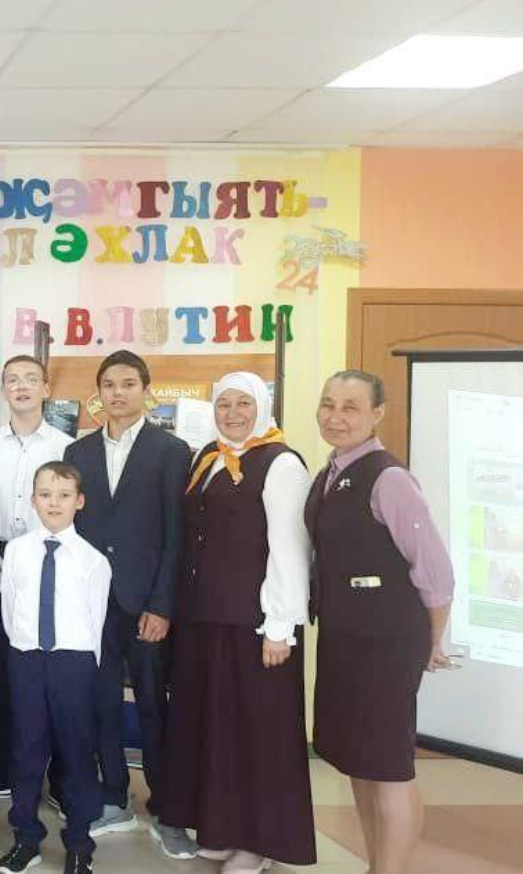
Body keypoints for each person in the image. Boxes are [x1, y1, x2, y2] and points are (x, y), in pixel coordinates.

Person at [156, 372, 315, 873]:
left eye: (244, 403)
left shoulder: (281, 463)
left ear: (262, 407)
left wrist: (280, 626)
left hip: (255, 625)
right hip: (206, 619)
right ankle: (221, 828)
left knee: (257, 732)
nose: (233, 414)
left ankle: (257, 842)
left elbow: (290, 549)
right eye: (223, 404)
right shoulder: (209, 457)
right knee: (217, 729)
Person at [307, 369, 455, 874]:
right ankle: (378, 865)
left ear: (377, 414)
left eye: (350, 407)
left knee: (389, 768)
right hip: (345, 638)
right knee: (360, 763)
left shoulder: (388, 478)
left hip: (387, 642)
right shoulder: (330, 473)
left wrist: (432, 641)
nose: (335, 416)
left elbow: (435, 571)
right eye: (328, 404)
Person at [62, 350, 194, 857]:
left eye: (128, 384)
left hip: (146, 605)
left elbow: (176, 536)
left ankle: (167, 809)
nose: (117, 393)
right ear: (99, 393)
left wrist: (162, 605)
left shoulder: (171, 450)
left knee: (155, 705)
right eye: (109, 385)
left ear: (145, 390)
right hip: (94, 604)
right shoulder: (79, 452)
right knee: (101, 704)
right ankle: (114, 797)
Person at [0, 462, 110, 874]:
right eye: (45, 495)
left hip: (73, 663)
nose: (54, 503)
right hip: (27, 658)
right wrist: (26, 649)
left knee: (77, 753)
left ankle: (79, 843)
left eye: (63, 495)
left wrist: (78, 665)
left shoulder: (93, 561)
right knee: (26, 750)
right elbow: (10, 611)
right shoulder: (17, 552)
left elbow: (95, 622)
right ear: (33, 500)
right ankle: (26, 837)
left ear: (79, 501)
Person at [0, 355, 73, 797]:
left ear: (46, 389)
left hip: (47, 561)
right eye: (12, 380)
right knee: (0, 666)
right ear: (3, 391)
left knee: (47, 669)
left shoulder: (65, 446)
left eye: (31, 379)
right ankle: (2, 767)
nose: (21, 387)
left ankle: (55, 775)